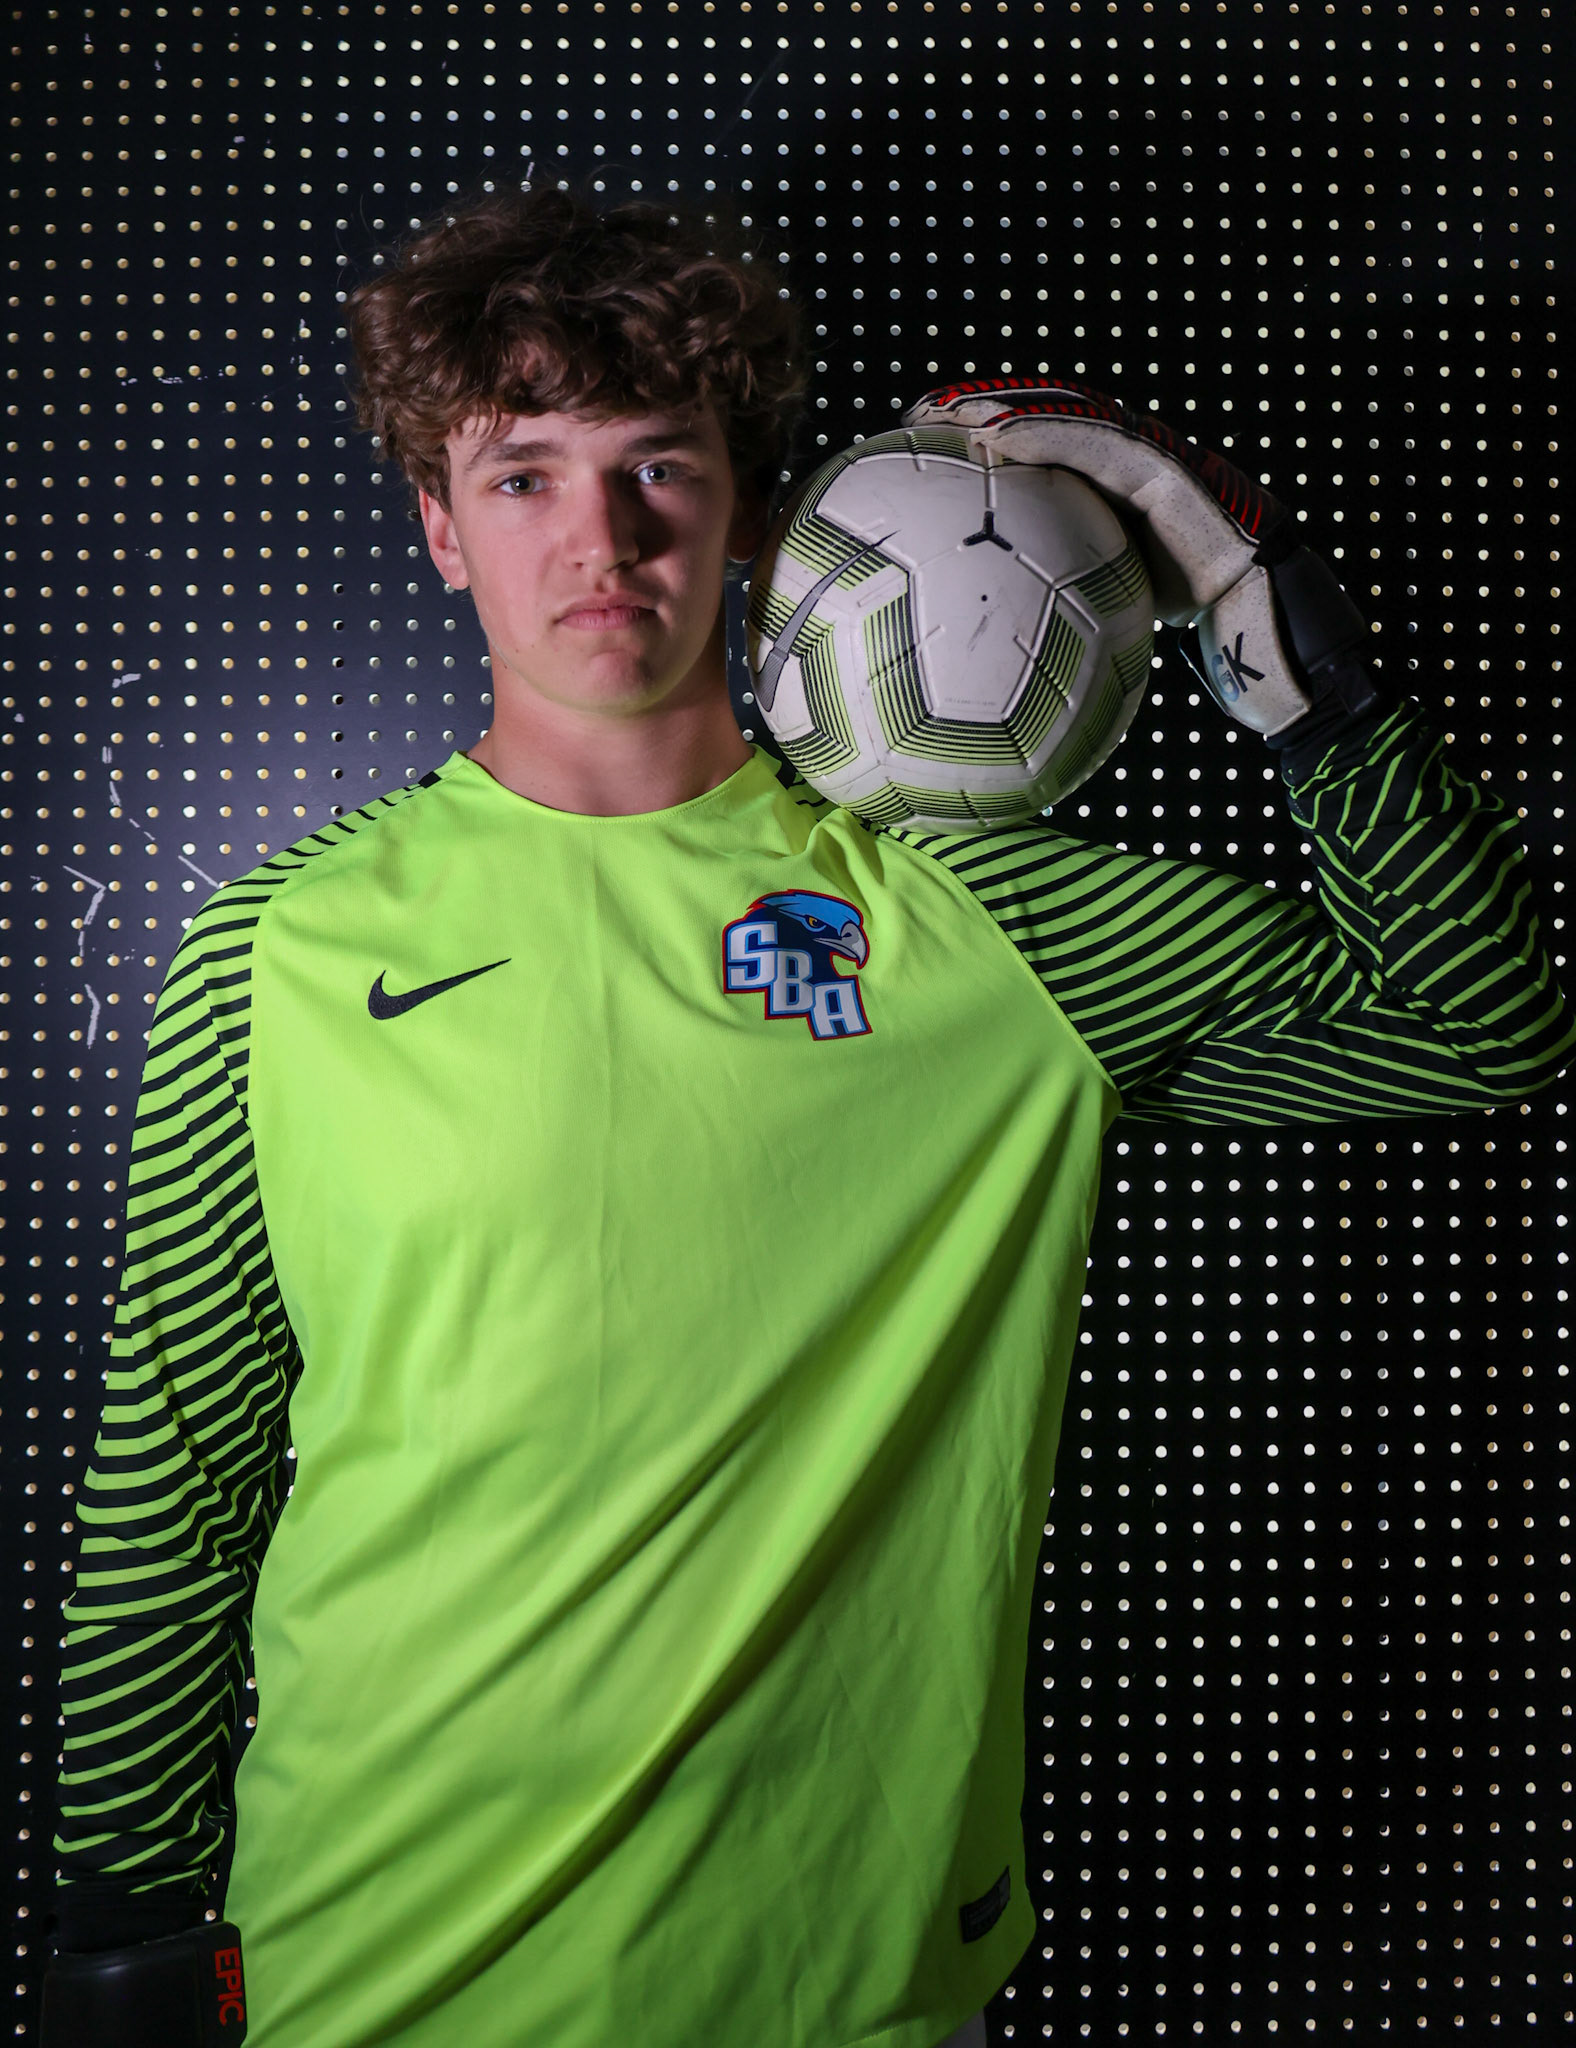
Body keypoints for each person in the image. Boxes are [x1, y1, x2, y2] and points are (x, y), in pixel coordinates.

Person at [42, 176, 1572, 2048]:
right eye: (522, 475)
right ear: (441, 530)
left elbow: (1484, 1022)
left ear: (758, 520)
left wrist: (1267, 634)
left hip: (833, 1976)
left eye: (657, 467)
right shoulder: (274, 949)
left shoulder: (988, 925)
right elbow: (180, 1464)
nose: (597, 537)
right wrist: (117, 1901)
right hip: (374, 1949)